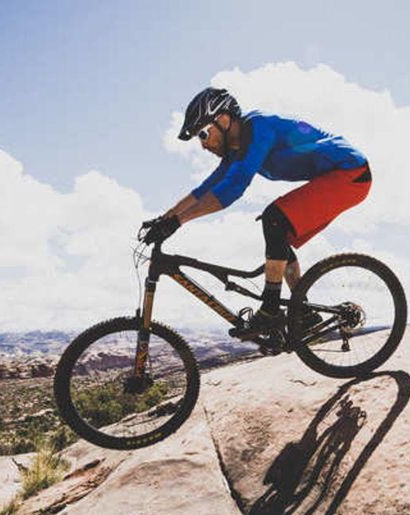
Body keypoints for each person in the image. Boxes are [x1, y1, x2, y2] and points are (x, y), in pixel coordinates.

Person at [144, 87, 371, 337]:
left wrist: (178, 221)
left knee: (275, 219)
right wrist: (165, 218)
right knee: (277, 232)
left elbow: (234, 187)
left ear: (223, 120)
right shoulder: (237, 150)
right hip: (339, 177)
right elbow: (207, 188)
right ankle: (304, 312)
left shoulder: (257, 127)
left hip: (351, 174)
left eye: (203, 133)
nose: (203, 144)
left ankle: (271, 311)